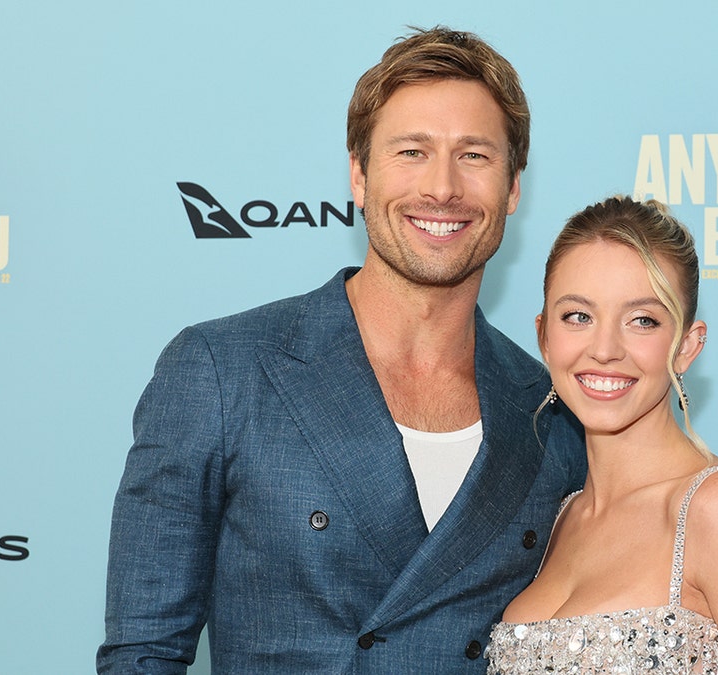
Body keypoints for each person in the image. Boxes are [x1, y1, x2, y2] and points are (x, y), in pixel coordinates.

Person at [97, 27, 585, 674]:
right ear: (358, 176)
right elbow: (143, 654)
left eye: (474, 155)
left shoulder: (550, 412)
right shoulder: (222, 371)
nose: (442, 187)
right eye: (412, 151)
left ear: (513, 187)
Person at [485, 196, 718, 674]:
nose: (603, 349)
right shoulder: (558, 515)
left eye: (642, 320)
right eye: (578, 316)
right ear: (543, 336)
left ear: (686, 346)